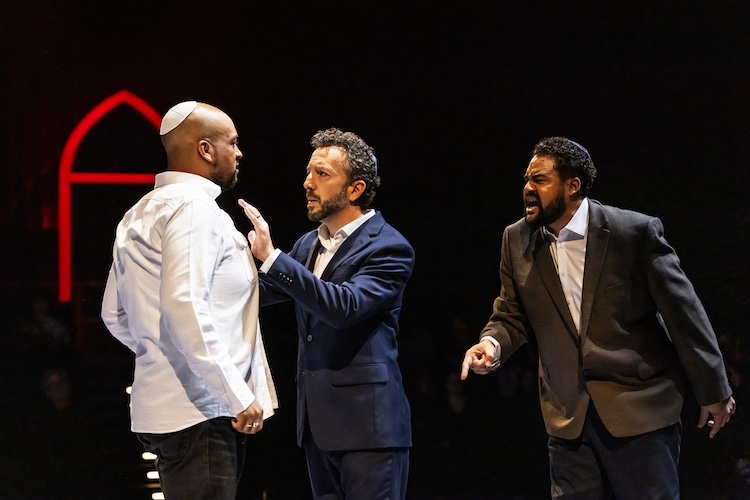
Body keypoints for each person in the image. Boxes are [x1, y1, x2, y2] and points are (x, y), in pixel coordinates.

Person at [460, 136, 736, 499]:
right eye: (527, 179)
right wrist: (491, 344)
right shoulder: (517, 239)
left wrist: (713, 390)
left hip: (639, 410)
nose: (527, 189)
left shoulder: (632, 233)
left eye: (539, 180)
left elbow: (684, 314)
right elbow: (511, 313)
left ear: (572, 186)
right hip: (567, 415)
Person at [101, 101, 277, 499]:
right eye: (232, 142)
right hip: (202, 410)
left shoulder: (137, 213)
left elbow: (114, 313)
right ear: (205, 150)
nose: (239, 152)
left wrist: (160, 350)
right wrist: (236, 393)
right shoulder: (195, 210)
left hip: (164, 409)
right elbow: (185, 304)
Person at [238, 128, 414, 499]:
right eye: (308, 172)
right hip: (318, 425)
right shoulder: (308, 244)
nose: (307, 183)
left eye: (322, 174)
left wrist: (272, 258)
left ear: (355, 189)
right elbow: (258, 294)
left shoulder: (390, 247)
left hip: (369, 428)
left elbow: (344, 307)